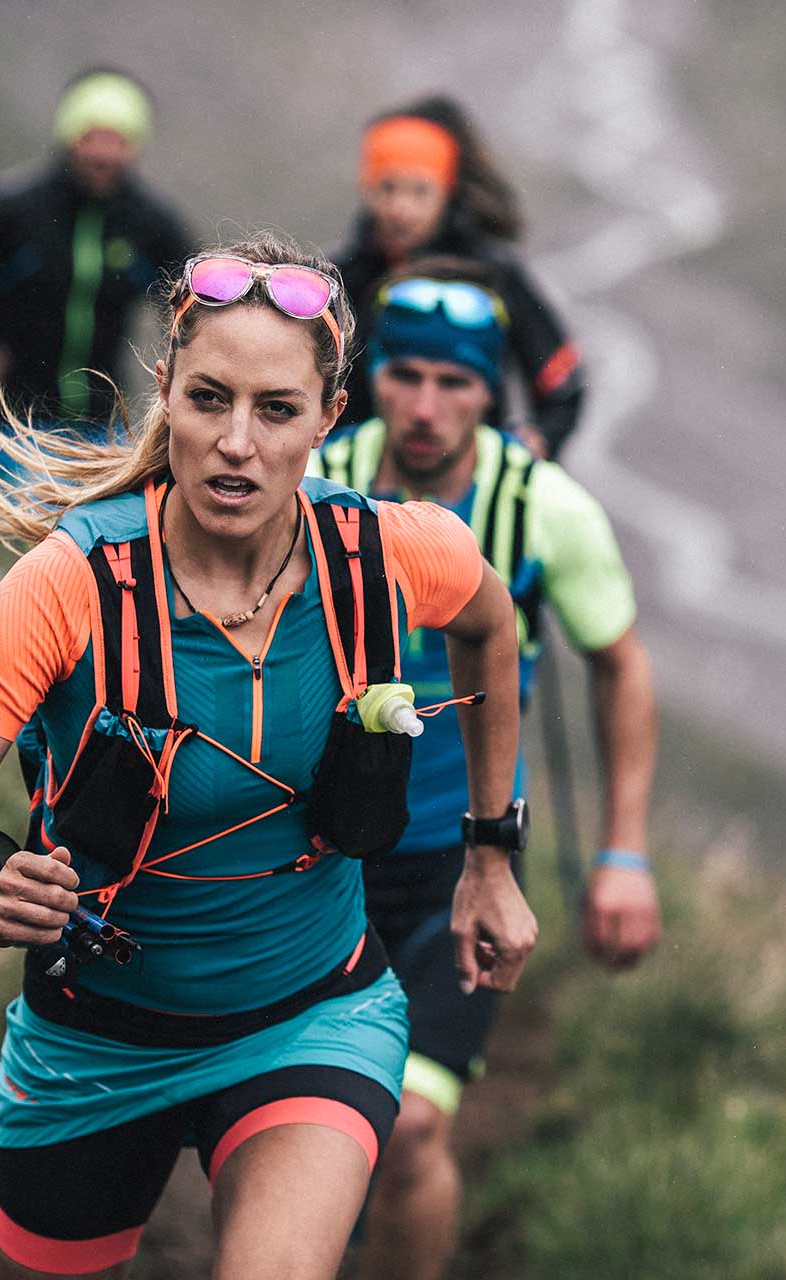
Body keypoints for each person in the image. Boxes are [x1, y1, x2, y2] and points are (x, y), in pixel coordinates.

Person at [0, 233, 537, 1280]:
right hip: (94, 1041)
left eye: (276, 410)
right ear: (164, 389)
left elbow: (493, 628)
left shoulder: (390, 553)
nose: (236, 444)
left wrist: (489, 853)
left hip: (313, 1016)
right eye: (209, 399)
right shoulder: (66, 586)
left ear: (328, 418)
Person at [308, 262, 661, 1280]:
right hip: (316, 862)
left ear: (490, 390)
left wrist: (624, 851)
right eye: (405, 374)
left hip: (460, 863)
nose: (425, 406)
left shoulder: (543, 508)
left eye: (454, 383)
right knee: (300, 1126)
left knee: (410, 1126)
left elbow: (622, 665)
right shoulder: (321, 473)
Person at [0, 67, 195, 472]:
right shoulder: (10, 211)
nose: (103, 154)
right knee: (29, 536)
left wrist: (185, 368)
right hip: (12, 425)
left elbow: (195, 303)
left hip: (104, 429)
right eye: (92, 137)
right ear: (69, 136)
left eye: (118, 140)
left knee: (96, 536)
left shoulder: (152, 226)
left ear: (135, 146)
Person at [329, 96, 587, 459]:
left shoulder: (493, 272)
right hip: (360, 486)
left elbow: (561, 380)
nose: (401, 208)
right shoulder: (342, 277)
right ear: (366, 191)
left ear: (446, 193)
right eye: (387, 188)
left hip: (465, 484)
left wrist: (537, 443)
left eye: (420, 191)